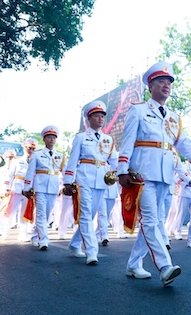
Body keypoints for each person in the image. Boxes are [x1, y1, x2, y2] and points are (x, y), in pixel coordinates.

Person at [117, 61, 191, 287]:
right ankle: (165, 266)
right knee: (149, 220)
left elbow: (183, 142)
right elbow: (127, 142)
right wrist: (122, 170)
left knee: (156, 220)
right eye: (161, 81)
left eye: (168, 82)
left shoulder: (173, 117)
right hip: (142, 174)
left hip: (165, 175)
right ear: (151, 86)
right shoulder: (138, 110)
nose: (166, 85)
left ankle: (133, 264)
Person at [63, 100, 117, 265]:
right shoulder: (81, 137)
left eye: (102, 116)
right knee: (86, 214)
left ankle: (74, 243)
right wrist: (68, 181)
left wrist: (119, 174)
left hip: (102, 179)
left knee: (92, 214)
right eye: (97, 116)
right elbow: (73, 160)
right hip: (84, 178)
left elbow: (114, 160)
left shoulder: (108, 139)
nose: (100, 119)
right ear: (89, 118)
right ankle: (92, 252)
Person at [24, 126, 65, 251]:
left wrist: (65, 185)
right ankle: (44, 240)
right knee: (41, 213)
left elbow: (64, 171)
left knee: (47, 214)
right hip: (40, 186)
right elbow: (30, 172)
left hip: (53, 187)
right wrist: (27, 187)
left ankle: (35, 236)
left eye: (54, 137)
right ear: (44, 139)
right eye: (49, 137)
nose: (52, 140)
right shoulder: (37, 155)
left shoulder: (60, 155)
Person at [2, 139, 37, 242]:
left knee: (24, 214)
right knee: (10, 212)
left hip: (28, 190)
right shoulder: (16, 161)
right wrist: (6, 188)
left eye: (32, 148)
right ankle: (5, 232)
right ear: (24, 148)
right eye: (28, 148)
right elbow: (9, 175)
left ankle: (22, 235)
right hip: (16, 189)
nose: (30, 150)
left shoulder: (35, 161)